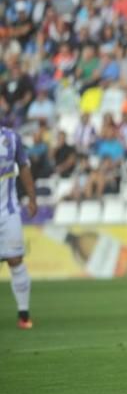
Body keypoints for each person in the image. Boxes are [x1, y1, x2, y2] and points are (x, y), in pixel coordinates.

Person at [0, 125, 37, 329]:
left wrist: (32, 197)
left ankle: (23, 313)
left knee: (15, 259)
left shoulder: (11, 138)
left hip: (8, 210)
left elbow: (23, 167)